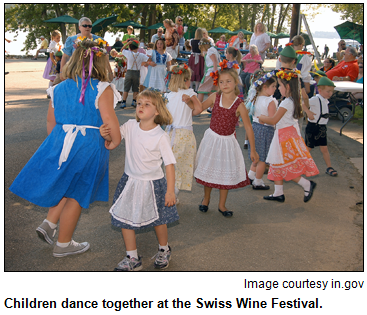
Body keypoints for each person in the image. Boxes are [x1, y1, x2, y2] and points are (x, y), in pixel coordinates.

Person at [9, 38, 121, 257]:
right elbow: (109, 120)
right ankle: (64, 244)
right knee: (77, 194)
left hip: (62, 142)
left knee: (64, 184)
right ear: (101, 64)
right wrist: (114, 141)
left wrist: (58, 143)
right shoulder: (102, 88)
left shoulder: (58, 88)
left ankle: (49, 223)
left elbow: (51, 121)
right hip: (88, 145)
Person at [100, 88, 179, 271]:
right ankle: (132, 257)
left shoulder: (161, 136)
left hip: (154, 184)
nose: (141, 106)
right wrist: (106, 134)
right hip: (130, 182)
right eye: (140, 103)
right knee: (125, 218)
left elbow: (169, 165)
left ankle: (164, 249)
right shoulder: (130, 125)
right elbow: (115, 138)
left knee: (159, 221)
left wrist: (170, 191)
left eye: (147, 104)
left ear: (157, 111)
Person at [194, 64, 259, 217]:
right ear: (218, 84)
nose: (225, 85)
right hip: (211, 140)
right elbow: (199, 108)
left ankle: (222, 205)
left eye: (228, 81)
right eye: (221, 82)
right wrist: (188, 100)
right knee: (208, 171)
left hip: (227, 143)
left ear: (236, 82)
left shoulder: (239, 104)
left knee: (224, 173)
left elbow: (248, 128)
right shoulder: (214, 97)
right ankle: (206, 198)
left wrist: (253, 150)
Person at [258, 69, 319, 203]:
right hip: (286, 134)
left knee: (284, 165)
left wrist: (261, 117)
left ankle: (306, 184)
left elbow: (274, 120)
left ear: (288, 86)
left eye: (280, 85)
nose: (278, 88)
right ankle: (278, 192)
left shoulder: (286, 102)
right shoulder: (293, 100)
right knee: (276, 163)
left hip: (284, 137)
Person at [166, 64, 202, 200]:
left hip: (169, 133)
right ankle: (173, 193)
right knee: (181, 165)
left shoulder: (168, 95)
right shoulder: (190, 93)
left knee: (170, 164)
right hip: (184, 135)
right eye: (189, 80)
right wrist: (190, 106)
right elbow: (198, 109)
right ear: (184, 80)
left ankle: (170, 190)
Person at [245, 71, 277, 190]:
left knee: (256, 155)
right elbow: (272, 119)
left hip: (255, 129)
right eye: (273, 86)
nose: (275, 89)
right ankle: (258, 181)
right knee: (263, 159)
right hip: (266, 130)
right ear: (265, 87)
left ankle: (251, 176)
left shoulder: (255, 98)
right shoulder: (270, 101)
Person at [61, 17, 113, 81]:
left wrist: (110, 72)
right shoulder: (71, 40)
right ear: (79, 27)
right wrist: (61, 72)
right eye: (85, 25)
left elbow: (105, 57)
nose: (87, 27)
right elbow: (65, 57)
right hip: (75, 74)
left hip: (95, 74)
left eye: (90, 26)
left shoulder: (99, 41)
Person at [305, 77, 337, 177]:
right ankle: (298, 167)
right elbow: (302, 103)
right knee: (308, 149)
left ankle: (329, 167)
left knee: (324, 149)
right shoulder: (315, 99)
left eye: (331, 91)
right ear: (320, 90)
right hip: (313, 127)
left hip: (322, 128)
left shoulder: (325, 100)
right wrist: (308, 112)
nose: (330, 93)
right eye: (328, 91)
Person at [113, 39, 149, 108]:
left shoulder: (128, 53)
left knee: (126, 88)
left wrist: (127, 44)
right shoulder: (141, 55)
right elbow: (148, 60)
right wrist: (142, 63)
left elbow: (121, 50)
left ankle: (124, 102)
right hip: (137, 72)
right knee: (136, 88)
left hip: (129, 72)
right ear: (138, 48)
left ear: (130, 48)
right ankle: (134, 101)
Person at [197, 38, 221, 103]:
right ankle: (213, 107)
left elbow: (215, 61)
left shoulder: (210, 50)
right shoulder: (210, 50)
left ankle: (198, 105)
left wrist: (215, 72)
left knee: (201, 89)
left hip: (211, 72)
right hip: (212, 71)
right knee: (211, 91)